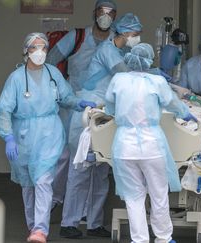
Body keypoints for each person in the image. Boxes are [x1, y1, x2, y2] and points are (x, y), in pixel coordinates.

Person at [0, 32, 96, 243]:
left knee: (43, 180)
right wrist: (8, 136)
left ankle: (41, 229)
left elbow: (66, 96)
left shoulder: (52, 74)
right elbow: (3, 109)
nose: (40, 52)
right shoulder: (16, 78)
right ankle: (33, 227)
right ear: (26, 51)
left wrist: (79, 103)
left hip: (49, 132)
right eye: (35, 47)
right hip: (23, 136)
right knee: (28, 184)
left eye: (43, 48)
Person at [59, 13, 142, 238]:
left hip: (106, 114)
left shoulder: (122, 52)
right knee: (81, 171)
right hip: (88, 113)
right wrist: (155, 77)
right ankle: (69, 222)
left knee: (101, 170)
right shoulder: (107, 51)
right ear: (123, 33)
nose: (136, 38)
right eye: (134, 34)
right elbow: (127, 76)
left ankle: (95, 223)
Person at [105, 43, 195, 243]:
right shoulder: (157, 82)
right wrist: (186, 113)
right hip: (152, 146)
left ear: (130, 58)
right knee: (158, 194)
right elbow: (172, 103)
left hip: (124, 147)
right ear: (149, 60)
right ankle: (163, 237)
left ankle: (139, 240)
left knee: (133, 198)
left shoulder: (118, 80)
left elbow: (109, 107)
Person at [46, 0, 117, 213]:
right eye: (101, 12)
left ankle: (87, 213)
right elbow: (50, 61)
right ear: (94, 13)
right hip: (72, 105)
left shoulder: (116, 40)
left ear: (115, 17)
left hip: (103, 108)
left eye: (110, 13)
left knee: (97, 160)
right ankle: (53, 200)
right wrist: (59, 91)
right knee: (65, 156)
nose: (105, 16)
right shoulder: (77, 37)